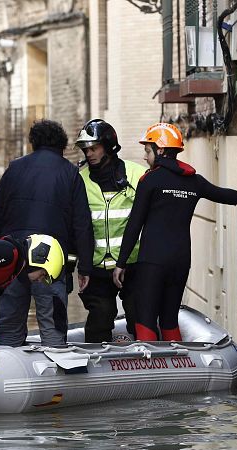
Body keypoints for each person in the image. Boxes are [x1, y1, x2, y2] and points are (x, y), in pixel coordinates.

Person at [113, 123, 237, 342]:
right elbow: (223, 195)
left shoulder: (150, 181)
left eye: (147, 150)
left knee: (145, 319)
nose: (145, 157)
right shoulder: (194, 181)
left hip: (152, 261)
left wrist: (121, 263)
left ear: (160, 150)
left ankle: (153, 372)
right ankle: (178, 369)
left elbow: (135, 224)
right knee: (170, 319)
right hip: (181, 262)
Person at [0, 119, 93, 347]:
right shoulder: (70, 174)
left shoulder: (14, 169)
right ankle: (55, 376)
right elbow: (82, 225)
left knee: (8, 329)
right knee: (53, 328)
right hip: (50, 264)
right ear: (62, 145)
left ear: (33, 142)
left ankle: (5, 375)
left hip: (13, 260)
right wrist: (83, 268)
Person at [74, 119, 147, 342]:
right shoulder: (79, 179)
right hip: (96, 267)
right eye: (86, 150)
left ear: (108, 146)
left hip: (132, 263)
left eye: (94, 148)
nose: (89, 154)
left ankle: (148, 369)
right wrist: (78, 266)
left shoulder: (137, 175)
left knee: (140, 316)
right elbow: (74, 225)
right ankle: (96, 371)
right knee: (100, 317)